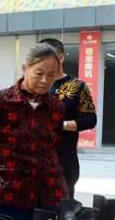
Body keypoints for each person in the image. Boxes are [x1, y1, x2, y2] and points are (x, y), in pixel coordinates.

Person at [0, 43, 68, 220]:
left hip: (47, 190)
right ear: (24, 69)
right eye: (39, 73)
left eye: (51, 75)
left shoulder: (56, 107)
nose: (45, 80)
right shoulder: (1, 100)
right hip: (9, 190)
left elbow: (55, 145)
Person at [39, 38, 97, 198]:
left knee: (63, 204)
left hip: (64, 157)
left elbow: (90, 119)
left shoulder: (77, 86)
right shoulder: (32, 85)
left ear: (61, 57)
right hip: (33, 158)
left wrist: (62, 125)